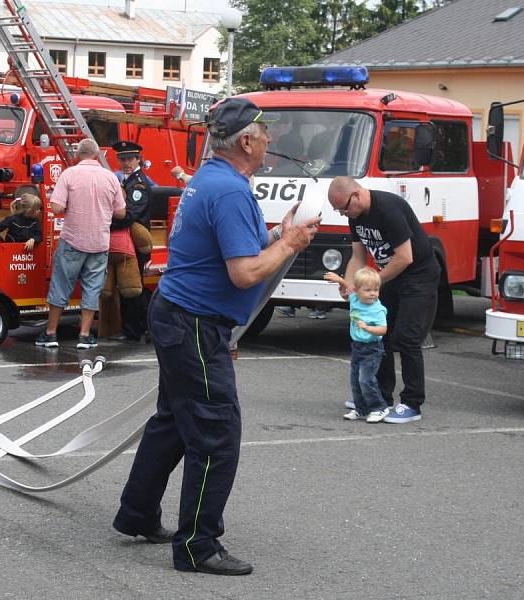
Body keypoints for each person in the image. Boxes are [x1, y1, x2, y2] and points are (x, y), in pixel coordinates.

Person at [113, 98, 320, 576]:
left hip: (180, 315)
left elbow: (236, 250)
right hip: (194, 324)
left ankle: (137, 513)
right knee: (215, 432)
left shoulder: (214, 181)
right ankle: (197, 547)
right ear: (245, 141)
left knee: (172, 421)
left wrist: (274, 236)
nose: (270, 139)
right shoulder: (228, 191)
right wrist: (288, 244)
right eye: (264, 131)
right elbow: (244, 273)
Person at [327, 176, 440, 424]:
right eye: (339, 211)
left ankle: (412, 403)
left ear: (356, 195)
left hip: (418, 276)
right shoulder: (355, 217)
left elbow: (405, 257)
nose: (344, 214)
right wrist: (350, 284)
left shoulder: (388, 209)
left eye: (344, 208)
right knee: (380, 334)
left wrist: (373, 282)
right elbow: (358, 256)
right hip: (388, 277)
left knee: (406, 337)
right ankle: (380, 397)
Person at [35, 138, 125, 350]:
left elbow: (56, 207)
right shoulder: (110, 178)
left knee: (61, 285)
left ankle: (50, 333)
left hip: (73, 240)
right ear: (96, 155)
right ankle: (84, 335)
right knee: (92, 288)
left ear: (77, 155)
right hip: (99, 243)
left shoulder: (69, 174)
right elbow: (121, 212)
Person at [325, 268, 389, 422]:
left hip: (372, 348)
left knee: (365, 380)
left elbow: (383, 329)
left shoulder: (377, 309)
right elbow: (348, 288)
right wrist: (339, 280)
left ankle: (380, 408)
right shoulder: (355, 299)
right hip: (357, 347)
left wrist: (368, 328)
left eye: (376, 289)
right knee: (355, 380)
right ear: (357, 290)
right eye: (368, 290)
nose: (373, 293)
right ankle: (361, 409)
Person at [109, 141, 153, 342]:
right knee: (128, 288)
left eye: (129, 159)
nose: (125, 163)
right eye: (122, 159)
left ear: (138, 159)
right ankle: (139, 326)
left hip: (135, 242)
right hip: (124, 240)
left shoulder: (139, 184)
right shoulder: (126, 181)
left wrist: (105, 225)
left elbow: (131, 215)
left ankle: (134, 330)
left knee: (132, 289)